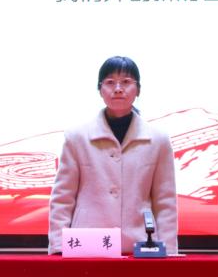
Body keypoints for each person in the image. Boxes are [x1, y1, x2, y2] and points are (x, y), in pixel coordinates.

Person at [48, 56, 178, 255]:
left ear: (138, 89)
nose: (118, 89)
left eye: (126, 82)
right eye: (110, 82)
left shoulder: (158, 139)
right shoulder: (77, 137)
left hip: (140, 246)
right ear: (100, 89)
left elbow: (165, 202)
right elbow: (63, 198)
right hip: (87, 245)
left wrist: (169, 251)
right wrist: (58, 247)